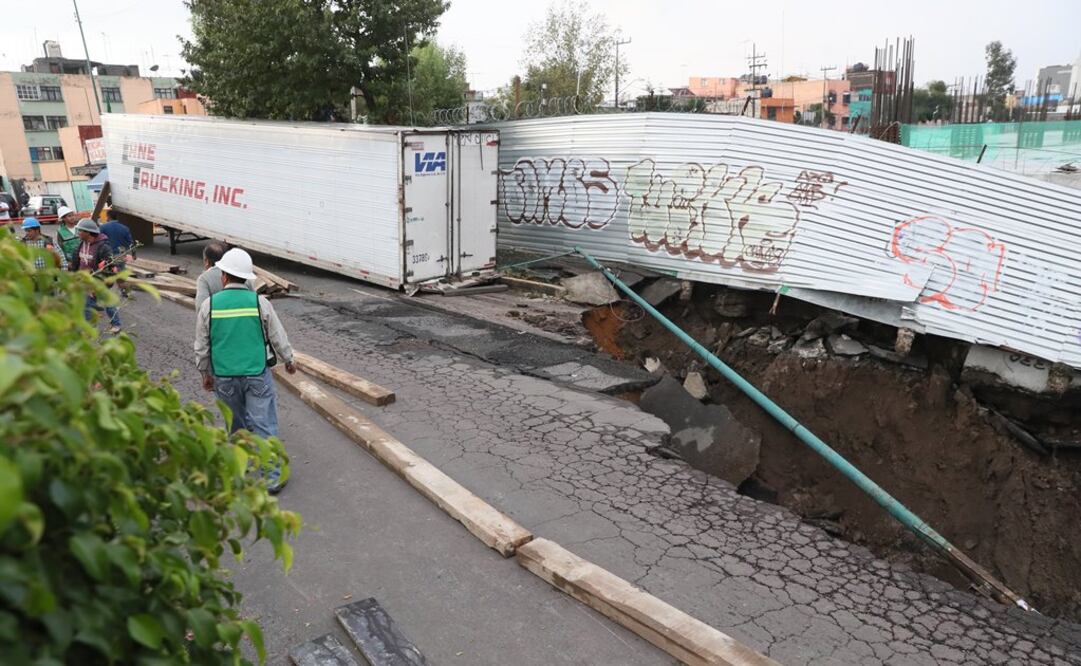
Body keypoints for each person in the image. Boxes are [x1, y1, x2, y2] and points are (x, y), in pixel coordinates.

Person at [194, 248, 296, 493]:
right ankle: (272, 477)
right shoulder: (260, 303)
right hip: (256, 374)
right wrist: (289, 359)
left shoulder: (209, 306)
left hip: (225, 376)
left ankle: (239, 472)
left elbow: (202, 346)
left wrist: (205, 374)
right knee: (264, 425)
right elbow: (277, 335)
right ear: (247, 278)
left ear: (224, 276)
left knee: (236, 427)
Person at [70, 218, 121, 334]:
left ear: (88, 232)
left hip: (99, 281)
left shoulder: (103, 247)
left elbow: (109, 268)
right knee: (86, 304)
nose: (78, 233)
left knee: (107, 303)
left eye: (80, 231)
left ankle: (116, 324)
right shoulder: (80, 245)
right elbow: (76, 263)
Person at [195, 241, 254, 310]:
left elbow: (201, 308)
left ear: (206, 261)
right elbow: (253, 300)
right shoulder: (241, 274)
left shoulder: (204, 279)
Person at [100, 209, 135, 298]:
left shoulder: (103, 227)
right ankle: (125, 291)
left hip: (108, 255)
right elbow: (131, 243)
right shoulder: (124, 228)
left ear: (108, 216)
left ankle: (104, 294)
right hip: (121, 255)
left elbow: (99, 241)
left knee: (107, 275)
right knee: (120, 276)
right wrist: (134, 254)